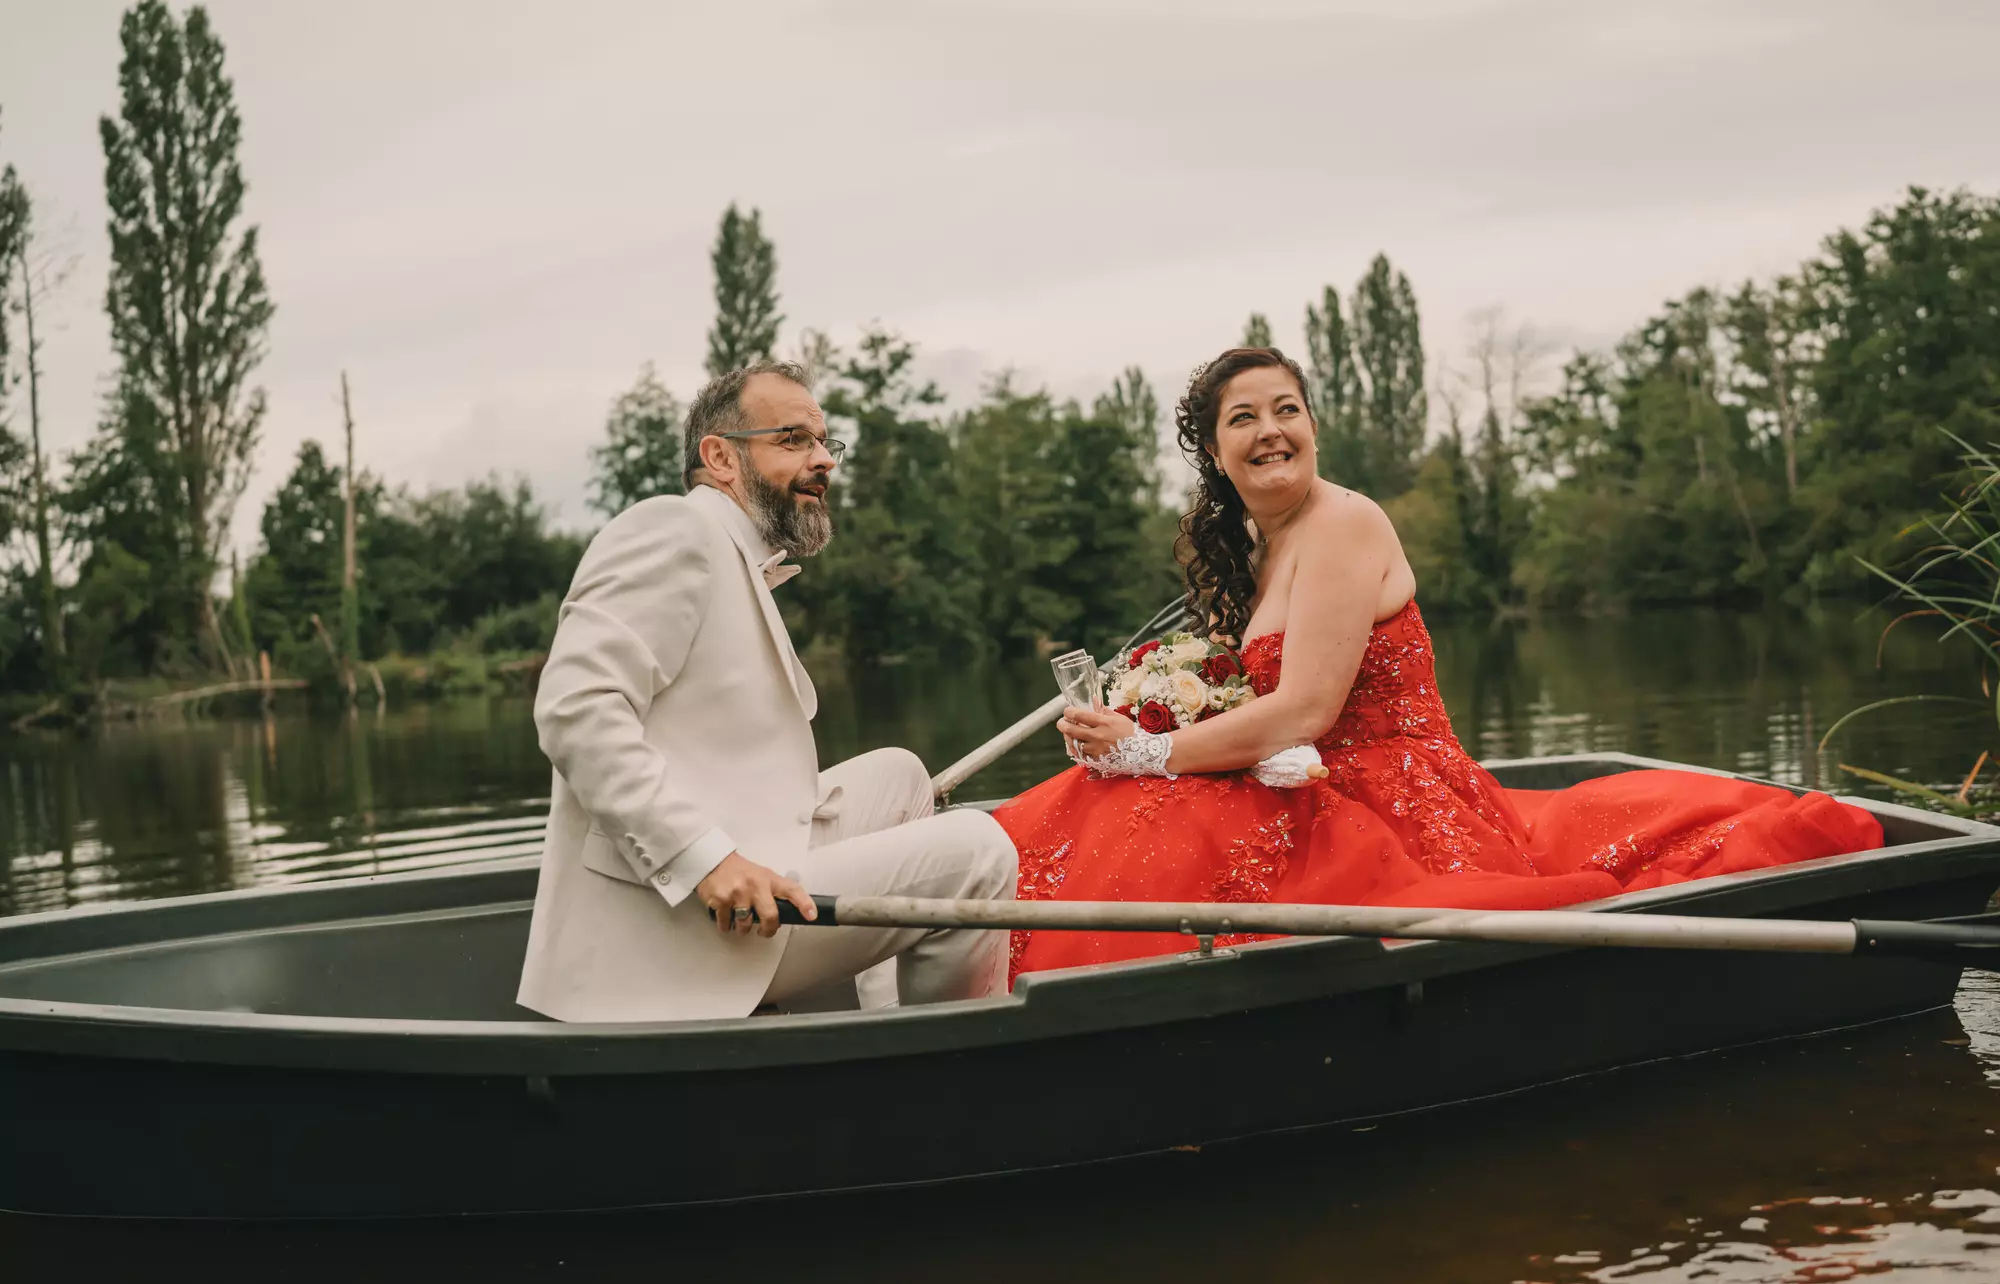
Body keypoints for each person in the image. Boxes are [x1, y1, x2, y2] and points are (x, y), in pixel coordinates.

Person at [994, 347, 1882, 982]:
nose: (1271, 431)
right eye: (1243, 419)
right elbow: (1269, 713)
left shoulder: (1344, 523)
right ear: (1214, 453)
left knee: (1151, 802)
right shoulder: (1261, 554)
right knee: (1121, 804)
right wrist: (1150, 721)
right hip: (1317, 781)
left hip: (1396, 791)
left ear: (1312, 425)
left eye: (1287, 410)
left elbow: (1304, 712)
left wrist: (1147, 752)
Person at [517, 361, 1017, 1023]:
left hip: (736, 880)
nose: (823, 461)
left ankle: (886, 1016)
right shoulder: (673, 530)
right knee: (978, 854)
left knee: (900, 776)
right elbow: (574, 711)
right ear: (721, 457)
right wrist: (707, 861)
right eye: (793, 440)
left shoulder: (729, 551)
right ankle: (938, 1065)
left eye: (824, 442)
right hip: (684, 932)